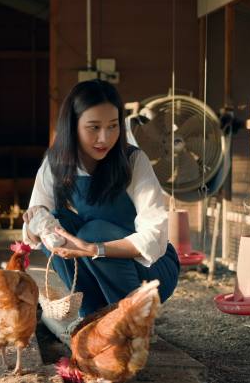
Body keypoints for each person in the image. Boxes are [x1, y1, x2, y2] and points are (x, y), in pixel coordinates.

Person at [22, 79, 179, 341]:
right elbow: (34, 234)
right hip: (98, 264)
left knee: (94, 230)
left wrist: (95, 248)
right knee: (55, 224)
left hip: (150, 271)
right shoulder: (56, 163)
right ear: (72, 126)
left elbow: (156, 236)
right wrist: (35, 220)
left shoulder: (133, 161)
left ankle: (132, 320)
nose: (104, 138)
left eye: (113, 126)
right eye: (93, 127)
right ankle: (93, 314)